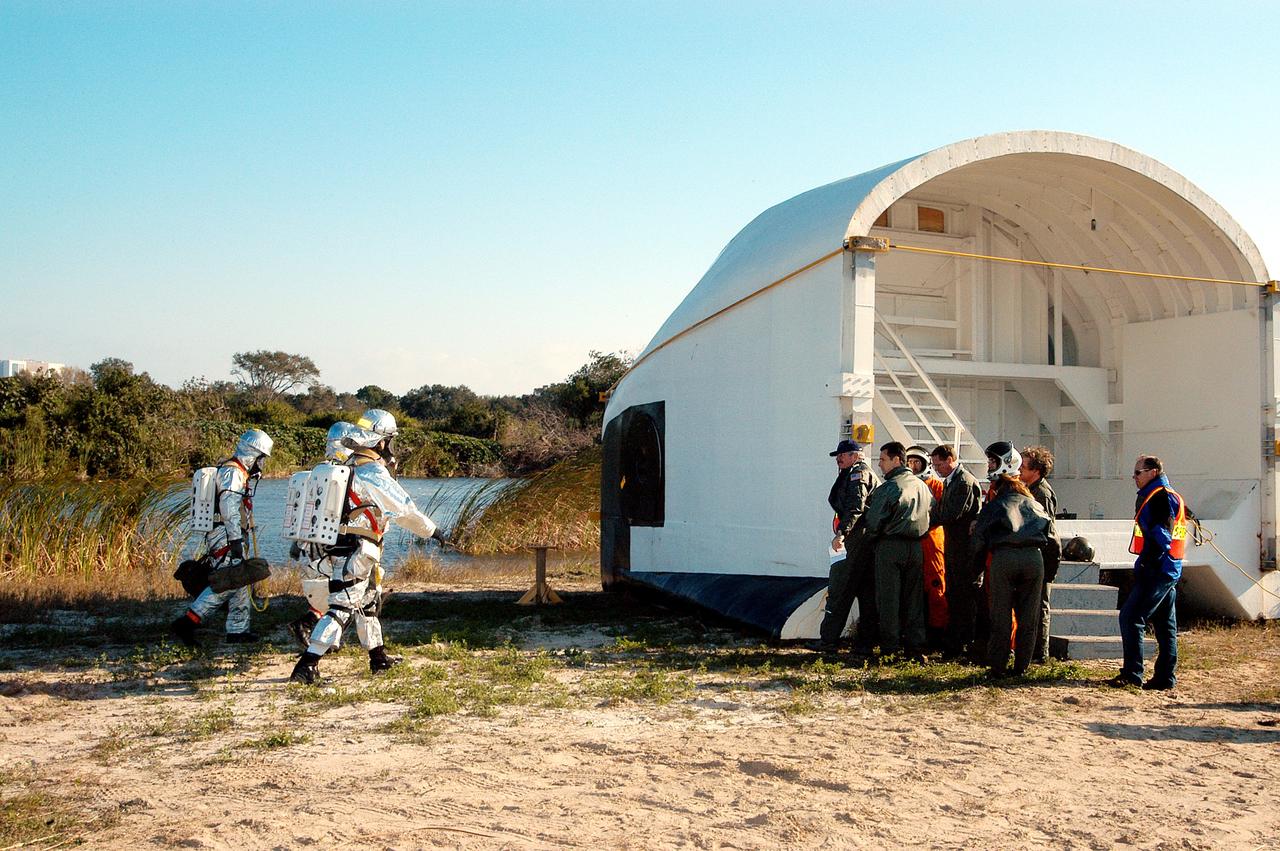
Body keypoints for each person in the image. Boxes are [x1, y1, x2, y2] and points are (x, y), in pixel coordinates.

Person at [290, 409, 448, 684]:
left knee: (367, 604)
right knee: (342, 607)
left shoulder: (345, 465)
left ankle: (378, 658)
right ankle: (307, 665)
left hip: (341, 548)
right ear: (383, 441)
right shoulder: (371, 470)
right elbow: (404, 510)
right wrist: (433, 531)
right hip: (358, 550)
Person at [171, 428, 274, 646]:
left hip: (229, 534)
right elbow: (229, 508)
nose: (261, 463)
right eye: (261, 458)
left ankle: (237, 630)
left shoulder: (236, 472)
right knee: (226, 582)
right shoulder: (233, 473)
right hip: (226, 535)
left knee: (240, 580)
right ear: (252, 453)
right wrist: (236, 541)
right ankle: (188, 622)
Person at [970, 442, 1060, 678]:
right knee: (1028, 618)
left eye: (992, 462)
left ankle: (998, 668)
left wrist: (975, 572)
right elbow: (1054, 541)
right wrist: (1048, 574)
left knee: (1001, 616)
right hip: (1034, 559)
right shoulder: (1034, 502)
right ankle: (1022, 667)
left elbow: (979, 540)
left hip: (1005, 558)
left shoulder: (996, 503)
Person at [843, 441, 932, 659]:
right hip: (916, 545)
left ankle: (890, 648)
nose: (880, 465)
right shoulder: (923, 486)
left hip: (890, 546)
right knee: (914, 600)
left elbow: (874, 522)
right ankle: (915, 648)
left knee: (888, 599)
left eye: (883, 460)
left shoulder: (889, 488)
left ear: (897, 460)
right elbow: (932, 512)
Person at [1109, 454, 1186, 690]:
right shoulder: (1166, 494)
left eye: (1137, 473)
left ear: (1152, 472)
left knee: (1131, 618)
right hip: (1169, 567)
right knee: (1165, 625)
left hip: (1158, 569)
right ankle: (1165, 678)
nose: (1134, 477)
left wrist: (1147, 564)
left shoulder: (1159, 497)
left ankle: (1133, 674)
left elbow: (1161, 537)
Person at [285, 421, 357, 648]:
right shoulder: (343, 474)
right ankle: (309, 627)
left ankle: (328, 639)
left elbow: (303, 511)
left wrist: (299, 543)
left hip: (315, 544)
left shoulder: (316, 472)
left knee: (331, 592)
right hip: (336, 543)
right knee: (343, 594)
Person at [817, 439, 880, 651]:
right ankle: (865, 642)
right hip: (864, 538)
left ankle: (828, 639)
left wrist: (842, 533)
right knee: (865, 590)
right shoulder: (853, 473)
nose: (838, 459)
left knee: (839, 585)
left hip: (855, 537)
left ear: (856, 455)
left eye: (842, 454)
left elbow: (856, 507)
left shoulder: (857, 475)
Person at [929, 444, 983, 658]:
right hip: (955, 547)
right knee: (955, 594)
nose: (936, 469)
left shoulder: (963, 482)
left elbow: (951, 513)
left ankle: (962, 642)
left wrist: (928, 518)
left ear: (950, 458)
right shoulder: (953, 481)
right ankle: (958, 641)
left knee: (963, 596)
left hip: (964, 549)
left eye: (939, 464)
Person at [1020, 445, 1058, 663]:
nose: (1020, 470)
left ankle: (1039, 653)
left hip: (1041, 558)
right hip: (1034, 558)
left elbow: (1046, 529)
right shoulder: (1031, 489)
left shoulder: (1041, 493)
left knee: (1039, 606)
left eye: (1024, 466)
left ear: (1036, 470)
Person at [906, 445, 948, 646]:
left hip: (932, 541)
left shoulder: (936, 485)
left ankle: (937, 633)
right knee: (913, 588)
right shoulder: (905, 485)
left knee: (935, 586)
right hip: (913, 541)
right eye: (910, 462)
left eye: (916, 463)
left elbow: (941, 513)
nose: (913, 466)